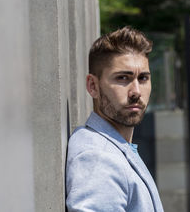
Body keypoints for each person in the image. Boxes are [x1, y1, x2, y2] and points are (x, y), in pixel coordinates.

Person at [65, 26, 164, 212]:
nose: (136, 92)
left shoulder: (115, 146)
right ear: (93, 86)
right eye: (123, 78)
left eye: (143, 78)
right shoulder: (98, 157)